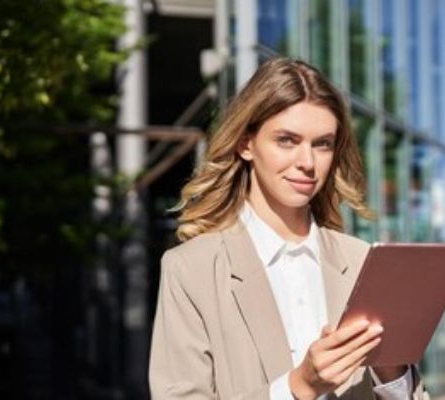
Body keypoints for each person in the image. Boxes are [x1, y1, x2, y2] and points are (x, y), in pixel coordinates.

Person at [149, 57, 426, 399]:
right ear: (246, 144)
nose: (307, 163)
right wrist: (299, 386)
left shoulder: (362, 262)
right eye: (286, 140)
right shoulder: (192, 269)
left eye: (322, 144)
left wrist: (391, 371)